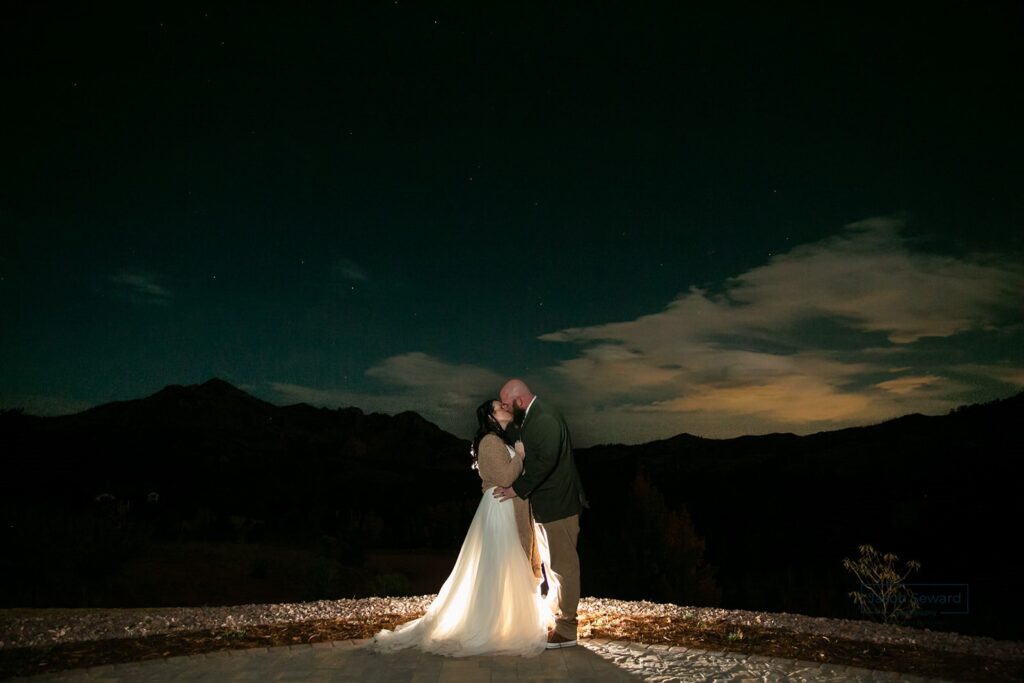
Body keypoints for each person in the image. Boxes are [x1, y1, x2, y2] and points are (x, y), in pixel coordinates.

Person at [372, 399, 550, 657]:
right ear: (490, 418)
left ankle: (504, 621)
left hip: (506, 508)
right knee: (500, 566)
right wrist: (520, 456)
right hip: (498, 510)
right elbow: (504, 478)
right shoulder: (490, 441)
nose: (505, 408)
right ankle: (491, 626)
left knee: (504, 566)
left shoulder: (499, 440)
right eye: (499, 407)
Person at [494, 379, 587, 649]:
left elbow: (545, 461)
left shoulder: (545, 418)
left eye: (507, 406)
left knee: (564, 566)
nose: (506, 410)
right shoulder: (531, 417)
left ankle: (568, 629)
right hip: (547, 507)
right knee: (552, 565)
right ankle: (557, 616)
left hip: (559, 506)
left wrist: (516, 489)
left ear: (519, 402)